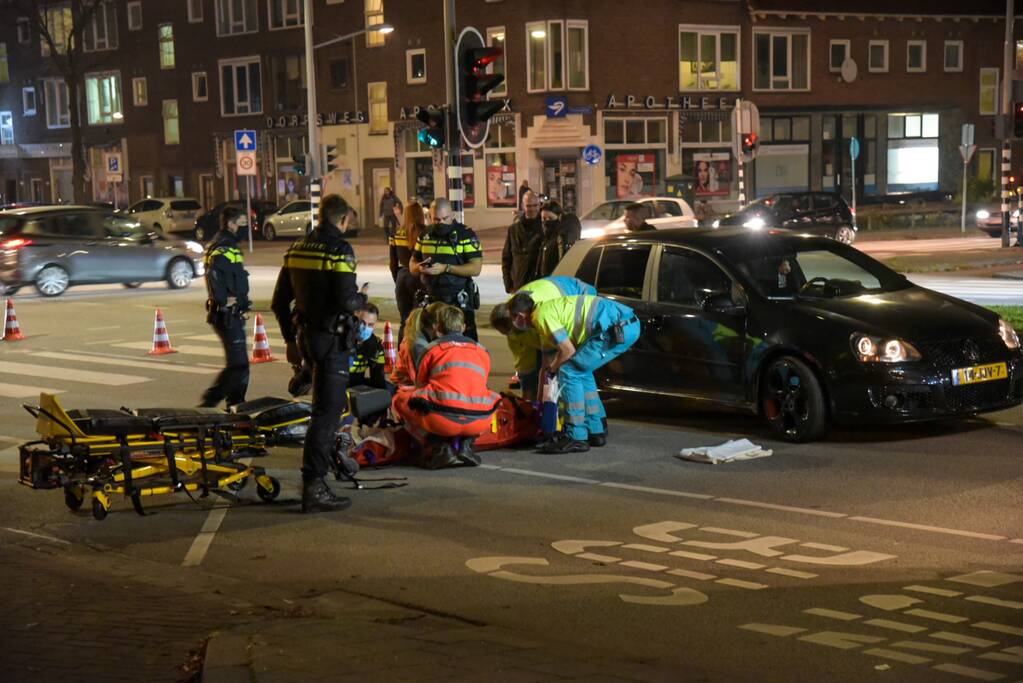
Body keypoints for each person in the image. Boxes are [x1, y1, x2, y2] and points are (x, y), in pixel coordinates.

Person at [271, 194, 368, 513]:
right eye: (348, 222)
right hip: (332, 340)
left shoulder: (297, 248)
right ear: (342, 220)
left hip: (306, 337)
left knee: (321, 407)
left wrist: (289, 340)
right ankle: (314, 485)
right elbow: (346, 300)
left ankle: (324, 468)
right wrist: (362, 301)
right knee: (327, 413)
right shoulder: (339, 249)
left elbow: (278, 301)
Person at [507, 291, 640, 453]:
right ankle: (595, 429)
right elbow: (550, 361)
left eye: (513, 318)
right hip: (622, 324)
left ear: (520, 316)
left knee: (569, 372)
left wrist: (555, 370)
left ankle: (575, 436)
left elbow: (567, 351)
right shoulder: (546, 310)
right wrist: (544, 390)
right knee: (581, 369)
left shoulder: (541, 317)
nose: (514, 322)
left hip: (617, 328)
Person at [392, 304, 501, 469]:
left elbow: (421, 387)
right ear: (463, 327)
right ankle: (467, 443)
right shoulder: (482, 351)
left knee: (400, 400)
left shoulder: (431, 350)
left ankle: (438, 446)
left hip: (442, 421)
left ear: (436, 328)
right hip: (480, 421)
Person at [490, 275, 596, 401]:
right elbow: (526, 365)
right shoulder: (515, 322)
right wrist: (528, 400)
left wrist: (544, 394)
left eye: (512, 331)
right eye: (507, 334)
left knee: (571, 365)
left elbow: (557, 356)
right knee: (553, 370)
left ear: (517, 318)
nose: (512, 335)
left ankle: (569, 403)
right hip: (555, 300)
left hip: (580, 295)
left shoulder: (538, 314)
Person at [409, 198, 484, 341]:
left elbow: (476, 268)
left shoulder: (465, 235)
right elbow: (412, 264)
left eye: (445, 218)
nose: (441, 223)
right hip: (430, 302)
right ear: (430, 217)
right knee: (429, 347)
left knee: (465, 345)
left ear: (452, 215)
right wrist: (419, 268)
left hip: (458, 302)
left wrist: (446, 268)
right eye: (436, 219)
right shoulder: (425, 235)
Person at [199, 206, 251, 408]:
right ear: (231, 224)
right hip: (226, 314)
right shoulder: (223, 247)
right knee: (238, 366)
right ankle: (209, 403)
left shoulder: (228, 244)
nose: (246, 228)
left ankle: (236, 404)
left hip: (232, 313)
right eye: (243, 223)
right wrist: (224, 301)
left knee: (242, 366)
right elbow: (214, 275)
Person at [390, 202, 426, 343]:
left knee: (404, 320)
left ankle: (402, 353)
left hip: (402, 276)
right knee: (419, 320)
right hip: (419, 277)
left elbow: (393, 263)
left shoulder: (396, 234)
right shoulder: (425, 233)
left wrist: (397, 277)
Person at [501, 190, 543, 293]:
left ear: (539, 205)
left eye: (535, 205)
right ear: (523, 206)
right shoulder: (513, 230)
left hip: (539, 286)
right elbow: (506, 259)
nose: (532, 209)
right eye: (529, 206)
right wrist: (508, 285)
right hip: (518, 286)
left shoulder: (544, 229)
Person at [535, 200, 582, 279]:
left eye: (550, 218)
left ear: (559, 217)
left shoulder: (562, 236)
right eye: (543, 219)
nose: (546, 222)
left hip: (557, 282)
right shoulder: (545, 237)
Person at [348, 303, 387, 390]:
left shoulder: (375, 346)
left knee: (390, 389)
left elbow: (378, 380)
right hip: (337, 388)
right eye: (362, 322)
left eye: (370, 325)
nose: (365, 327)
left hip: (357, 389)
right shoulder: (340, 341)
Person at [390, 307, 426, 387]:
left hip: (402, 382)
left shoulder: (410, 339)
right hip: (404, 386)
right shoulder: (414, 344)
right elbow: (414, 376)